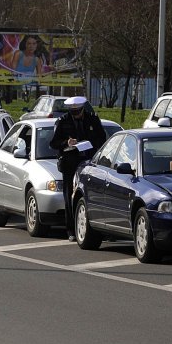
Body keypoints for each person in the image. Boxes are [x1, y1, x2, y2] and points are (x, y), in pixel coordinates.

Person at [50, 96, 107, 241]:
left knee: (91, 195)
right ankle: (71, 230)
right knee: (70, 196)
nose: (76, 115)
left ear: (83, 109)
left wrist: (90, 143)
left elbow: (102, 138)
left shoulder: (93, 119)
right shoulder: (63, 121)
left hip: (89, 161)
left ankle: (94, 228)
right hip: (70, 163)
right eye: (73, 112)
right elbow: (53, 143)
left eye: (78, 112)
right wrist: (66, 142)